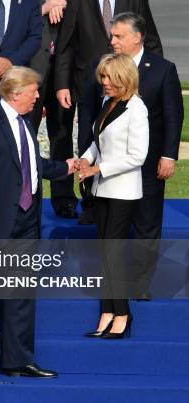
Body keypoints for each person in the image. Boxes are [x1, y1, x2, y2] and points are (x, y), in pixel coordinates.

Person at [0, 67, 75, 379]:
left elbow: (30, 164)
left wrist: (64, 169)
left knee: (20, 291)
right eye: (34, 91)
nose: (38, 96)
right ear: (16, 93)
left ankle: (18, 360)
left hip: (28, 218)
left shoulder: (26, 122)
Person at [82, 13, 183, 300]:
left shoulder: (163, 69)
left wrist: (169, 155)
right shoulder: (103, 68)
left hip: (150, 163)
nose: (112, 41)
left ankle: (138, 285)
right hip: (112, 166)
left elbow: (174, 115)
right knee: (112, 226)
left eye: (118, 36)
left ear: (137, 37)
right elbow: (93, 116)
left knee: (147, 222)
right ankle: (113, 282)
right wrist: (87, 156)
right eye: (112, 36)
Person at [54, 0, 162, 225]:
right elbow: (65, 44)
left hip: (124, 87)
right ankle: (91, 203)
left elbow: (150, 39)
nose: (112, 42)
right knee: (90, 139)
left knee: (120, 142)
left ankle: (125, 203)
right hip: (89, 86)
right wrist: (62, 84)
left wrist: (151, 80)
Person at [79, 53, 149, 338]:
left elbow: (138, 155)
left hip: (123, 192)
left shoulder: (136, 108)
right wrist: (85, 159)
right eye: (102, 77)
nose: (103, 82)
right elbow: (98, 141)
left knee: (114, 252)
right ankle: (108, 310)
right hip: (102, 189)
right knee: (105, 252)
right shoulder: (109, 104)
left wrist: (99, 168)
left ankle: (122, 313)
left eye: (108, 77)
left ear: (123, 77)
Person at [27, 0, 79, 219]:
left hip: (65, 68)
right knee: (25, 135)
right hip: (31, 67)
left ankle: (64, 197)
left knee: (62, 134)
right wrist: (45, 8)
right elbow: (13, 18)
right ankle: (27, 195)